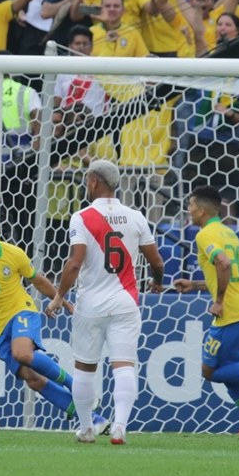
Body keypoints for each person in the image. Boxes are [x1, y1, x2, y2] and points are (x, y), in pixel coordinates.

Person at [45, 160, 165, 444]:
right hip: (125, 301)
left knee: (85, 368)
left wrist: (59, 296)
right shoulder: (136, 216)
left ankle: (87, 428)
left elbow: (74, 264)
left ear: (94, 182)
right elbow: (156, 261)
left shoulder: (82, 216)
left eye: (88, 181)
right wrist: (157, 281)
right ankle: (120, 426)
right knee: (124, 365)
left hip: (91, 304)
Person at [0, 206, 100, 430]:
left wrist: (64, 301)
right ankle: (91, 418)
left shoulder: (13, 253)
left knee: (22, 354)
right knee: (31, 377)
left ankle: (75, 385)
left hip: (21, 310)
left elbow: (37, 281)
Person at [173, 186, 239, 434]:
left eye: (190, 205)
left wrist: (220, 300)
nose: (188, 209)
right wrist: (196, 285)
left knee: (209, 371)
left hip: (231, 312)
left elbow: (222, 263)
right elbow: (229, 272)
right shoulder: (228, 233)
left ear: (201, 210)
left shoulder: (204, 235)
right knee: (232, 371)